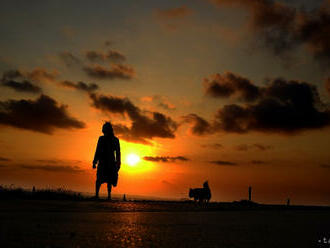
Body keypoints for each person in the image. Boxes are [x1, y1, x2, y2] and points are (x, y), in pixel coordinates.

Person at [93, 122, 121, 200]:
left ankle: (107, 196)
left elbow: (118, 153)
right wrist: (94, 161)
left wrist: (118, 164)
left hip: (110, 162)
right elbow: (97, 151)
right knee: (100, 179)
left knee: (108, 179)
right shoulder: (102, 139)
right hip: (104, 161)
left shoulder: (115, 140)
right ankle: (98, 195)